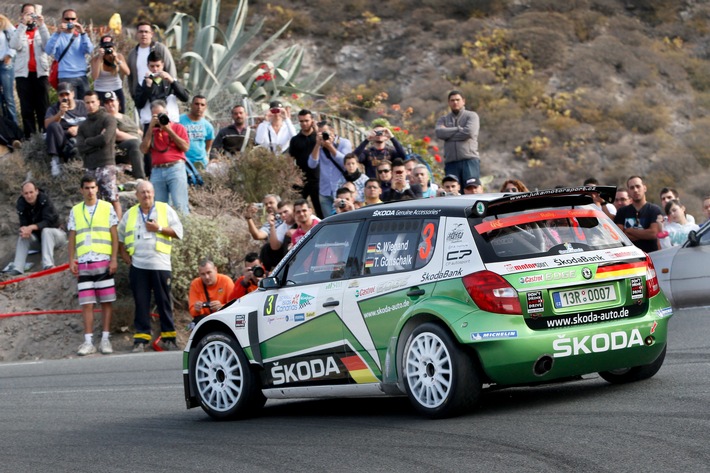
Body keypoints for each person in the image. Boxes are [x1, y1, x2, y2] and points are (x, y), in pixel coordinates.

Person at [118, 180, 183, 352]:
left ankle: (169, 338)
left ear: (153, 193)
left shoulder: (164, 209)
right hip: (138, 265)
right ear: (137, 195)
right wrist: (124, 255)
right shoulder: (130, 214)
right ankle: (141, 339)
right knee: (141, 302)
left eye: (148, 192)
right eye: (142, 192)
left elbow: (178, 232)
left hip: (160, 264)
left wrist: (159, 228)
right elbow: (120, 237)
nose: (146, 195)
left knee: (164, 301)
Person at [67, 175, 119, 356]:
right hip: (84, 263)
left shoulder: (107, 208)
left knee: (106, 302)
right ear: (81, 190)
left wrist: (114, 259)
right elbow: (72, 236)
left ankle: (105, 339)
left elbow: (114, 235)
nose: (90, 191)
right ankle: (88, 341)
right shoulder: (75, 211)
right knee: (87, 303)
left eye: (92, 187)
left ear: (97, 189)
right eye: (86, 188)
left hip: (103, 260)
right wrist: (71, 259)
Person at [139, 100, 190, 214]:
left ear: (167, 113)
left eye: (162, 114)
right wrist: (150, 129)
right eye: (156, 116)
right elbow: (143, 149)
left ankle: (183, 230)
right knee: (158, 207)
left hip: (175, 168)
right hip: (157, 170)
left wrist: (168, 130)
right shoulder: (151, 131)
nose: (160, 118)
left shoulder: (178, 127)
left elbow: (185, 147)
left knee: (180, 204)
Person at [5, 181, 66, 276]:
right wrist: (24, 230)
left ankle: (48, 265)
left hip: (57, 236)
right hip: (40, 241)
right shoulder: (21, 204)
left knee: (46, 231)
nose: (29, 196)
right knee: (23, 235)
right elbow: (23, 223)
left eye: (31, 192)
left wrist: (31, 227)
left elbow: (49, 221)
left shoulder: (45, 200)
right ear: (22, 194)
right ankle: (17, 268)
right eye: (26, 193)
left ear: (36, 191)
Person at [76, 90, 120, 219]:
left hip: (106, 164)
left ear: (98, 102)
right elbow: (80, 147)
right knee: (93, 201)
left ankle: (117, 229)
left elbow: (105, 139)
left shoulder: (109, 119)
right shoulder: (83, 126)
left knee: (112, 198)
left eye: (93, 102)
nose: (90, 105)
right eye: (87, 102)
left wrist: (88, 141)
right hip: (89, 166)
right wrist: (97, 141)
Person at [10, 3, 51, 139]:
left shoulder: (41, 29)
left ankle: (46, 134)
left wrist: (42, 25)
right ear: (22, 15)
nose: (30, 16)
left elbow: (48, 47)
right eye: (27, 13)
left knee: (43, 106)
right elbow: (14, 45)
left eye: (32, 13)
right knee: (26, 108)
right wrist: (22, 25)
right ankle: (31, 138)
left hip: (41, 73)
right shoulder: (17, 29)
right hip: (23, 74)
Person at [44, 9, 93, 99]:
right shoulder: (58, 36)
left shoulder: (81, 36)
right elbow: (48, 50)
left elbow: (89, 50)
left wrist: (83, 33)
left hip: (81, 75)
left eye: (73, 19)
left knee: (85, 106)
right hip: (66, 76)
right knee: (70, 106)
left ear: (76, 20)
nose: (70, 21)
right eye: (67, 19)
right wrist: (57, 33)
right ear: (62, 20)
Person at [134, 50, 189, 129]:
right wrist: (148, 86)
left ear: (162, 65)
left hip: (170, 122)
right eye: (152, 66)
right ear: (147, 66)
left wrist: (172, 82)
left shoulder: (171, 81)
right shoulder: (142, 83)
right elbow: (139, 104)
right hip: (151, 123)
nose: (155, 69)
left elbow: (185, 98)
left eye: (158, 66)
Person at [435, 90, 480, 183]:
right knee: (453, 193)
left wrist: (448, 134)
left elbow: (469, 132)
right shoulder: (443, 119)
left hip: (469, 160)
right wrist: (458, 129)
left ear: (463, 101)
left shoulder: (471, 116)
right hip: (451, 163)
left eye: (457, 100)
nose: (455, 102)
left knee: (471, 191)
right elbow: (439, 133)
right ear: (449, 102)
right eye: (452, 100)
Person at [127, 21, 177, 105]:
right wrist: (133, 94)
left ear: (151, 34)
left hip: (160, 96)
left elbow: (171, 69)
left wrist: (171, 90)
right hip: (141, 96)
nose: (143, 34)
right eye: (141, 32)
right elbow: (130, 76)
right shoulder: (132, 54)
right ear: (137, 34)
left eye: (146, 32)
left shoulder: (160, 49)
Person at [308, 120, 352, 215]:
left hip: (341, 191)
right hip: (325, 191)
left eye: (324, 133)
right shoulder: (319, 145)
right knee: (329, 221)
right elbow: (312, 164)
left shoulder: (344, 143)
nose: (322, 136)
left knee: (345, 218)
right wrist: (317, 145)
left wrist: (330, 147)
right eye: (319, 133)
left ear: (332, 130)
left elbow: (346, 163)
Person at [44, 82, 87, 176]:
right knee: (53, 125)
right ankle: (55, 160)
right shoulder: (54, 108)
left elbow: (95, 118)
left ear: (73, 94)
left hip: (81, 138)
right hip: (63, 140)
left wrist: (79, 128)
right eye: (61, 95)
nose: (65, 98)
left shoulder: (83, 105)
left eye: (67, 94)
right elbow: (47, 125)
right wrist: (60, 114)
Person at [614, 176, 662, 253]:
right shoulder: (622, 212)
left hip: (652, 256)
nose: (635, 190)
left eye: (638, 186)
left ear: (644, 188)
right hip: (629, 256)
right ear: (628, 192)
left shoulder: (654, 210)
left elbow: (653, 233)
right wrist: (645, 234)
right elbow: (620, 237)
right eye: (632, 188)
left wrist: (630, 230)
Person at [103, 91, 145, 178]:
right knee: (135, 144)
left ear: (118, 102)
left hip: (137, 143)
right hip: (121, 149)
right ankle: (140, 177)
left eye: (112, 101)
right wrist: (136, 139)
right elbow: (117, 135)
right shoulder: (107, 119)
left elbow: (138, 131)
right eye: (107, 103)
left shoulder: (125, 117)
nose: (110, 104)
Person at [288, 109, 321, 218]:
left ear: (312, 120)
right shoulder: (295, 140)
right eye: (301, 121)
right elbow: (290, 159)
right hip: (301, 179)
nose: (304, 123)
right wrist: (294, 176)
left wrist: (318, 131)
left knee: (319, 208)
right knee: (297, 209)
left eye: (306, 120)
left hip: (317, 178)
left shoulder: (318, 137)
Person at [90, 34, 129, 113]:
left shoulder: (119, 56)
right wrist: (100, 58)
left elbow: (127, 72)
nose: (107, 50)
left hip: (116, 88)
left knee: (120, 114)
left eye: (109, 47)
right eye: (105, 47)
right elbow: (94, 77)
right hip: (100, 90)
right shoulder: (96, 59)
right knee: (102, 115)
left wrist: (116, 59)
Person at [188, 259, 235, 324]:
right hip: (205, 320)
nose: (206, 277)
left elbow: (234, 306)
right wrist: (197, 309)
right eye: (203, 274)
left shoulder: (226, 281)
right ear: (199, 274)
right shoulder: (195, 284)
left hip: (224, 319)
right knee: (194, 324)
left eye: (209, 272)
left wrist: (221, 307)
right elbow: (192, 311)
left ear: (215, 270)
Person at [179, 95, 214, 169]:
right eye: (196, 104)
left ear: (205, 107)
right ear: (191, 105)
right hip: (182, 163)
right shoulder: (179, 120)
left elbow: (208, 143)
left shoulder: (208, 126)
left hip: (201, 164)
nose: (199, 107)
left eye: (202, 105)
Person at [0, 14, 18, 125]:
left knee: (8, 98)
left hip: (5, 64)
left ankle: (14, 128)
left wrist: (10, 54)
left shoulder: (4, 23)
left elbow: (16, 39)